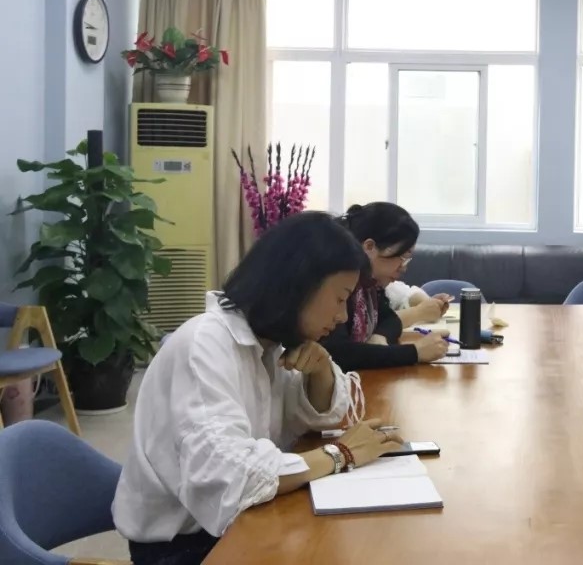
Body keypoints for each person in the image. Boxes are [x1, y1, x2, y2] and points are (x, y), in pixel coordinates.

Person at [113, 212, 406, 565]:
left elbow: (317, 417)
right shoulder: (205, 344)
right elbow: (233, 480)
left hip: (237, 519)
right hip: (184, 546)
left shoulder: (270, 342)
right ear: (297, 286)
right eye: (340, 298)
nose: (343, 316)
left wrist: (320, 372)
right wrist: (341, 453)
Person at [321, 202, 453, 369]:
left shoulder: (370, 284)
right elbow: (339, 353)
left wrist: (379, 336)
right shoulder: (339, 280)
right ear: (369, 247)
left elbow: (389, 319)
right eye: (402, 258)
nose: (403, 268)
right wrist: (415, 352)